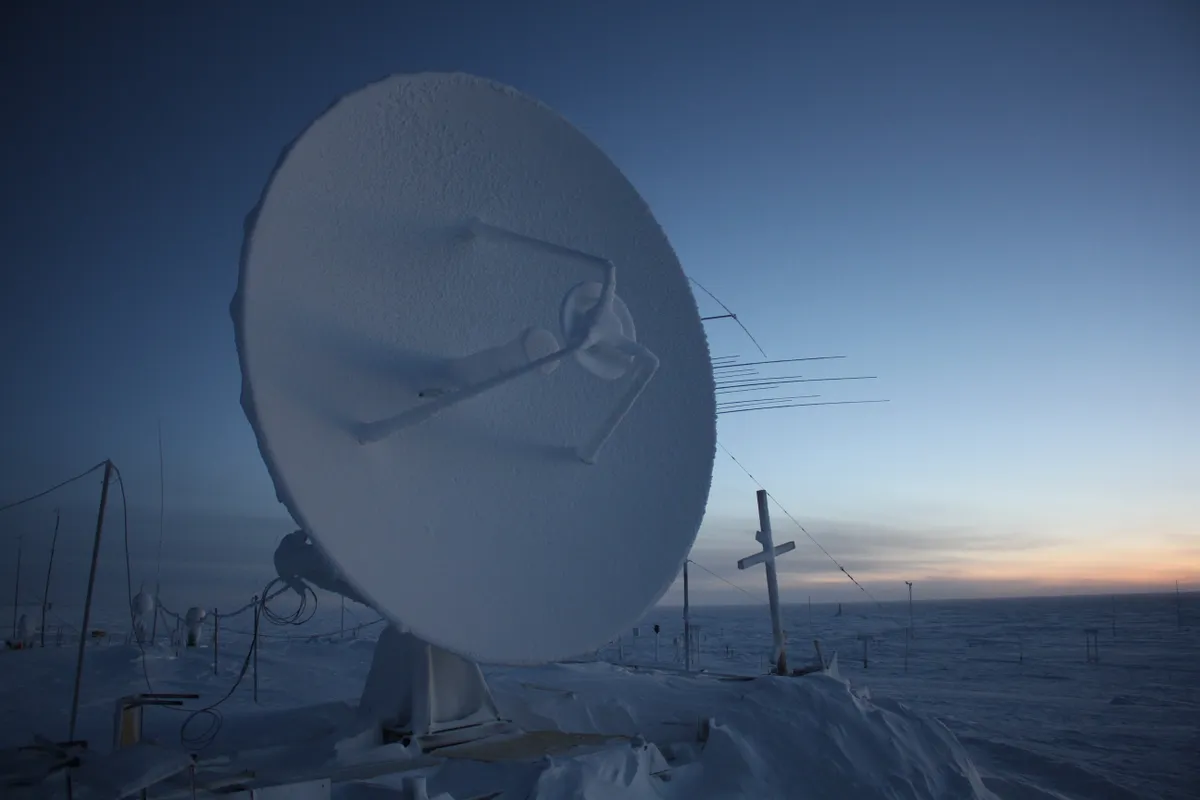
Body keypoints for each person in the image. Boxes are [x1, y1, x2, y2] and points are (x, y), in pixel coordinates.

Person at [273, 529, 371, 607]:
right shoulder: (286, 548)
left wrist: (300, 588)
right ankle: (368, 599)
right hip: (321, 570)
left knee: (346, 586)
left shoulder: (284, 554)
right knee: (347, 585)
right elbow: (304, 534)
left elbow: (292, 581)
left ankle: (368, 599)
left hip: (323, 566)